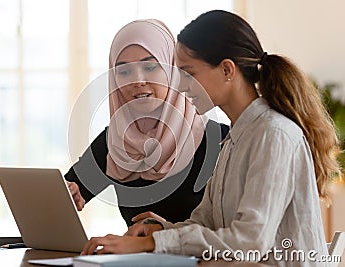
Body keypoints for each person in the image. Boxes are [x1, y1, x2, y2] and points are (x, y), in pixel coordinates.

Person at [80, 10, 342, 266]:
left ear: (227, 70)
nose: (180, 85)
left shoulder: (273, 135)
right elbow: (205, 221)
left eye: (188, 73)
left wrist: (151, 244)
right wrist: (160, 231)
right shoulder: (234, 138)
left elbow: (251, 240)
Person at [65, 19, 229, 227]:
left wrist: (165, 235)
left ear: (173, 69)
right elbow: (69, 191)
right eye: (124, 72)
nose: (137, 81)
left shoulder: (220, 141)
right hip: (137, 260)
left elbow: (236, 232)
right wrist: (68, 195)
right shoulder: (115, 141)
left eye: (150, 67)